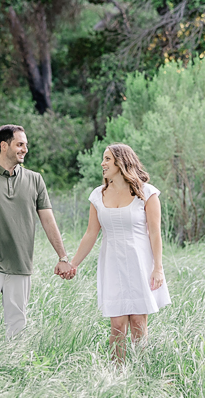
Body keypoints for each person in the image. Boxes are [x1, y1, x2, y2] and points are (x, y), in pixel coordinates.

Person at [0, 124, 75, 340]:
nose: (25, 149)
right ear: (4, 146)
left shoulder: (35, 179)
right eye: (20, 144)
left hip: (21, 264)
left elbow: (48, 220)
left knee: (18, 325)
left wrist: (63, 256)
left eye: (26, 145)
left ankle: (15, 368)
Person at [65, 143, 171, 360]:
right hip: (111, 264)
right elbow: (90, 234)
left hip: (140, 263)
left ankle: (141, 370)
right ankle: (117, 375)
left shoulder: (147, 193)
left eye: (107, 159)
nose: (102, 164)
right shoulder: (98, 195)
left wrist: (158, 268)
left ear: (121, 162)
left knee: (138, 322)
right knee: (117, 325)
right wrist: (73, 263)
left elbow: (155, 233)